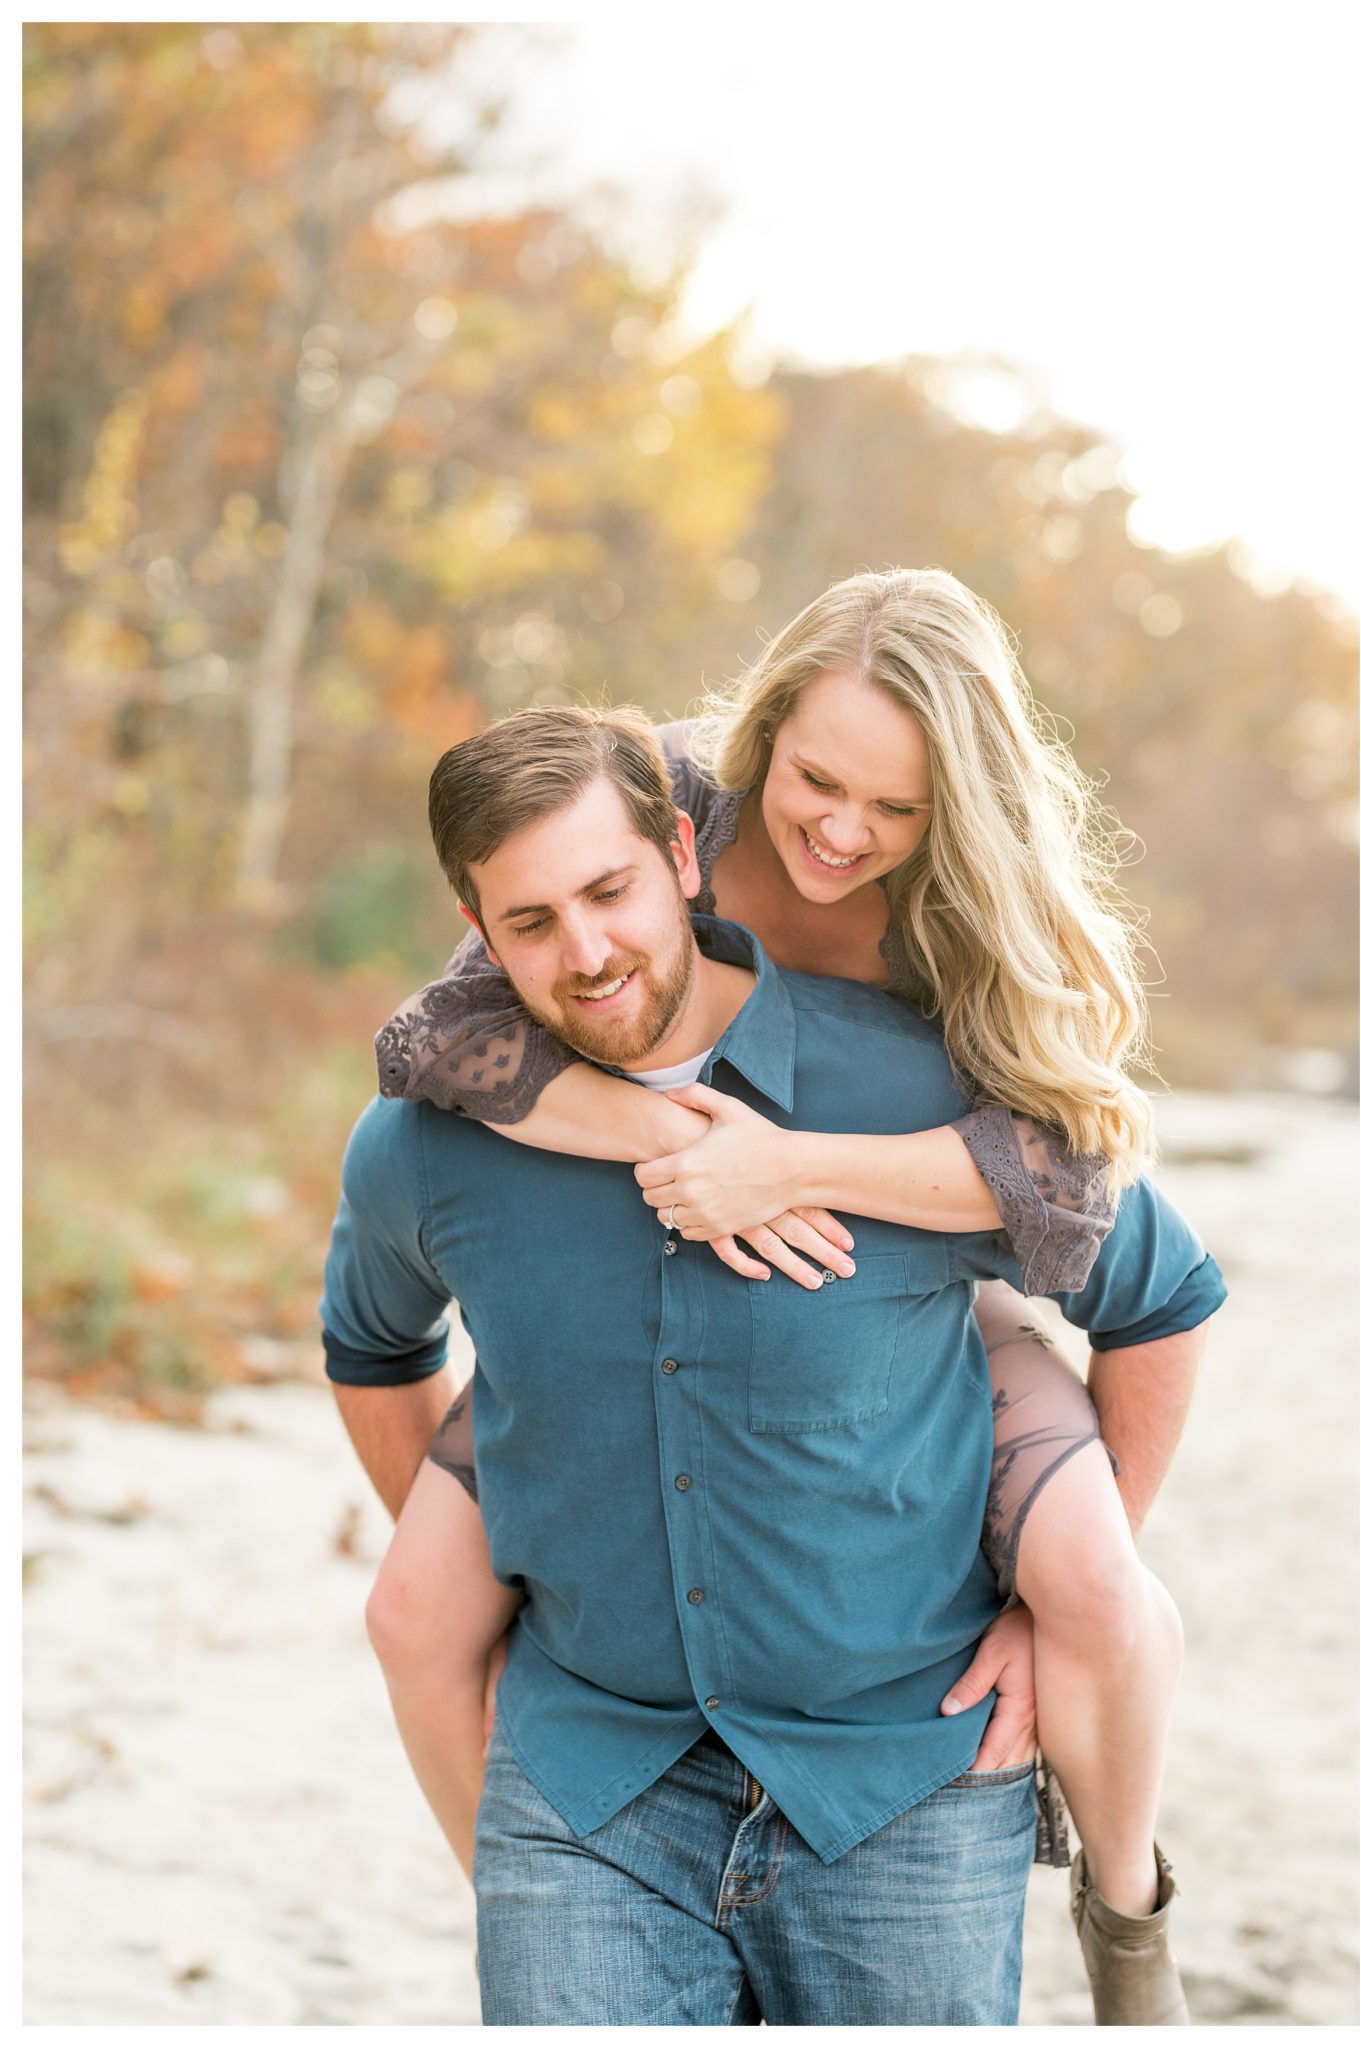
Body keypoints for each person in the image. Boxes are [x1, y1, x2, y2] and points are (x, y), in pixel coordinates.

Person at [359, 569, 1198, 2021]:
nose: (838, 833)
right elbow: (435, 1037)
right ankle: (536, 1887)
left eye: (893, 811)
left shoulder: (977, 914)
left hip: (925, 1266)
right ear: (746, 757)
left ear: (957, 807)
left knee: (1087, 1586)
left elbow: (1079, 1197)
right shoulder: (651, 803)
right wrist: (660, 1127)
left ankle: (1123, 1913)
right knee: (417, 1604)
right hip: (642, 1276)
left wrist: (789, 1166)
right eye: (815, 780)